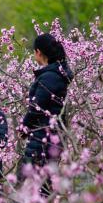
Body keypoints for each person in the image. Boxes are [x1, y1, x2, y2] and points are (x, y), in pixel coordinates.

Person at [21, 33, 72, 171]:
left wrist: (23, 127)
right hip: (50, 135)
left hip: (43, 136)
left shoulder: (50, 77)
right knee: (44, 183)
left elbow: (36, 107)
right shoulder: (56, 73)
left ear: (38, 52)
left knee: (27, 182)